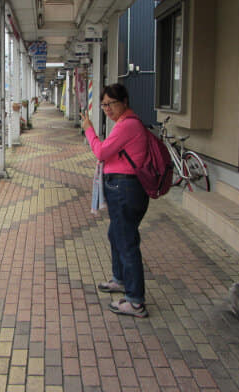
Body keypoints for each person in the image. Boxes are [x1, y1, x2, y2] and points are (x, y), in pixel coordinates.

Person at [80, 84, 150, 318]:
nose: (107, 109)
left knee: (127, 242)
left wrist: (89, 129)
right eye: (104, 105)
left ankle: (135, 300)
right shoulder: (125, 123)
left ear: (125, 101)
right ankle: (120, 279)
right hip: (124, 188)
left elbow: (101, 152)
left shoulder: (128, 125)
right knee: (117, 235)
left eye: (111, 103)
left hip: (126, 189)